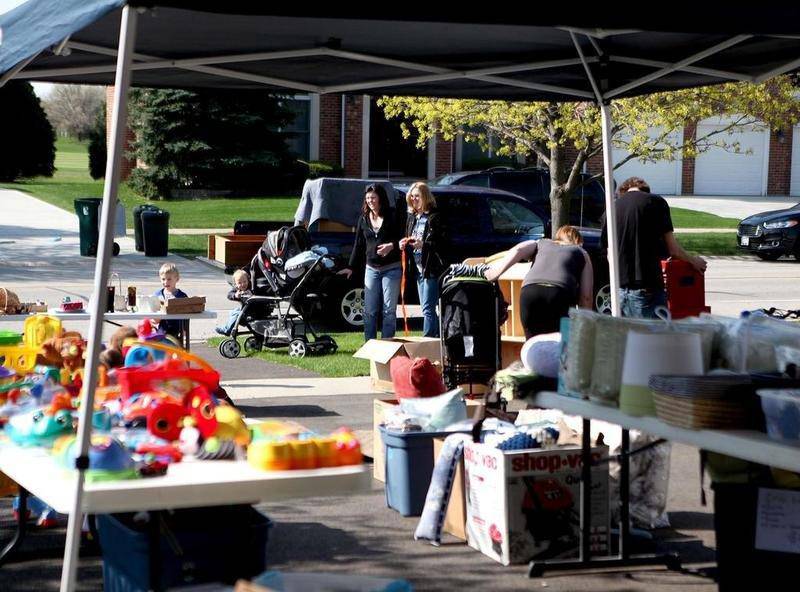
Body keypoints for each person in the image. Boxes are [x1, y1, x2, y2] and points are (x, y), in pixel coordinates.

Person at [601, 177, 706, 319]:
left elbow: (609, 255)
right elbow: (673, 250)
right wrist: (694, 261)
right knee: (653, 333)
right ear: (646, 190)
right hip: (646, 291)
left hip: (618, 292)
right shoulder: (656, 202)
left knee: (625, 333)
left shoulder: (610, 209)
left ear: (623, 191)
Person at [485, 225, 594, 338]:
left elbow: (519, 249)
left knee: (532, 343)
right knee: (560, 344)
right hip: (559, 296)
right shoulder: (582, 253)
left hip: (530, 293)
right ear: (578, 241)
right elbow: (586, 297)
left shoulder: (541, 243)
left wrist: (495, 273)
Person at [337, 184, 403, 340]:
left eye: (373, 197)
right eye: (367, 198)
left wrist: (391, 246)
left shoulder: (393, 216)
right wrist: (350, 266)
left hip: (392, 268)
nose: (370, 201)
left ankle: (387, 344)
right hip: (371, 269)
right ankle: (370, 344)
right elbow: (358, 244)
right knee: (369, 310)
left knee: (389, 310)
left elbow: (403, 237)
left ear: (380, 198)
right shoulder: (363, 219)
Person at [399, 181, 445, 338]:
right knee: (427, 307)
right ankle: (437, 337)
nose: (414, 199)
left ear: (425, 197)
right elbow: (409, 238)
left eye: (417, 196)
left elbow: (442, 243)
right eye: (412, 196)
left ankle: (428, 339)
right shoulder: (412, 217)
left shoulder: (435, 217)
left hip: (430, 268)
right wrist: (404, 243)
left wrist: (423, 245)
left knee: (427, 307)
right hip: (418, 268)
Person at [152, 262, 188, 338]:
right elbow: (154, 320)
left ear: (177, 279)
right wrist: (157, 316)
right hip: (162, 332)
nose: (166, 282)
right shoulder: (158, 295)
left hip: (177, 332)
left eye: (169, 279)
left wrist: (185, 330)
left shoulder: (182, 296)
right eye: (163, 279)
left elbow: (187, 316)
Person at [216, 269, 253, 335]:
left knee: (236, 314)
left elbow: (258, 293)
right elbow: (229, 295)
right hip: (245, 310)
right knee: (234, 311)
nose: (243, 284)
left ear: (248, 280)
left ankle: (227, 330)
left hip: (251, 313)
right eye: (239, 283)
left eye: (245, 281)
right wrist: (235, 295)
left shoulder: (251, 288)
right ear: (236, 284)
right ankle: (228, 327)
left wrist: (252, 295)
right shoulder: (238, 289)